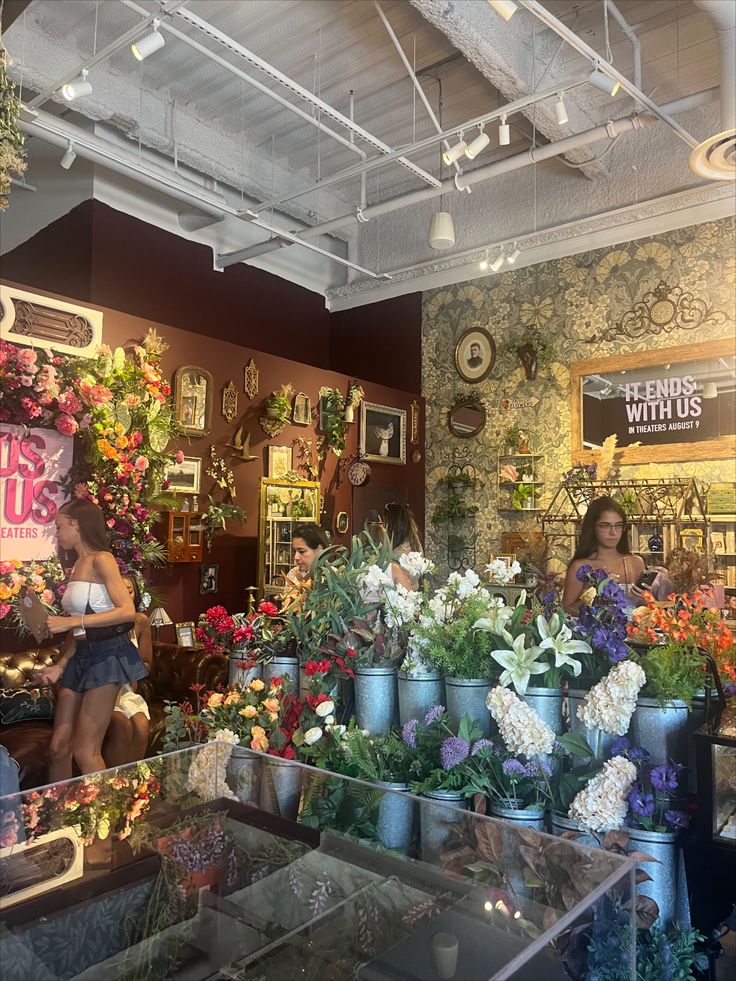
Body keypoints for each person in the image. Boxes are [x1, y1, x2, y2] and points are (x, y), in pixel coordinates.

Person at [34, 498, 147, 780]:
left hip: (107, 655)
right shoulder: (77, 565)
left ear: (76, 524)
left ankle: (105, 818)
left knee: (86, 752)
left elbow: (127, 611)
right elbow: (79, 630)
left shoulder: (102, 559)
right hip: (81, 655)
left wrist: (73, 621)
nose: (56, 533)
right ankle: (60, 816)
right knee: (59, 748)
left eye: (59, 526)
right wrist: (60, 665)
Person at [562, 496, 644, 616]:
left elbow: (641, 609)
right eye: (605, 526)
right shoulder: (580, 566)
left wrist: (648, 598)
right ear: (592, 527)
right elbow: (566, 611)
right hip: (598, 633)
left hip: (636, 632)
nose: (613, 532)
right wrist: (595, 592)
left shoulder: (636, 562)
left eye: (618, 525)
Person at [102, 576, 153, 767]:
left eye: (130, 591)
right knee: (122, 725)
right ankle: (115, 785)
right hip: (102, 692)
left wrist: (131, 669)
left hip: (126, 690)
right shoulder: (100, 621)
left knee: (142, 725)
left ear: (136, 593)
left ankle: (134, 781)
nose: (125, 596)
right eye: (119, 591)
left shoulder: (140, 621)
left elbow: (147, 663)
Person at [281, 524, 330, 611]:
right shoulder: (293, 573)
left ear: (319, 550)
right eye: (294, 551)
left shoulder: (334, 578)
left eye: (302, 551)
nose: (296, 557)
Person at [383, 502, 423, 590]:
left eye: (384, 523)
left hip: (397, 600)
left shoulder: (399, 554)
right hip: (412, 597)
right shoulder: (415, 544)